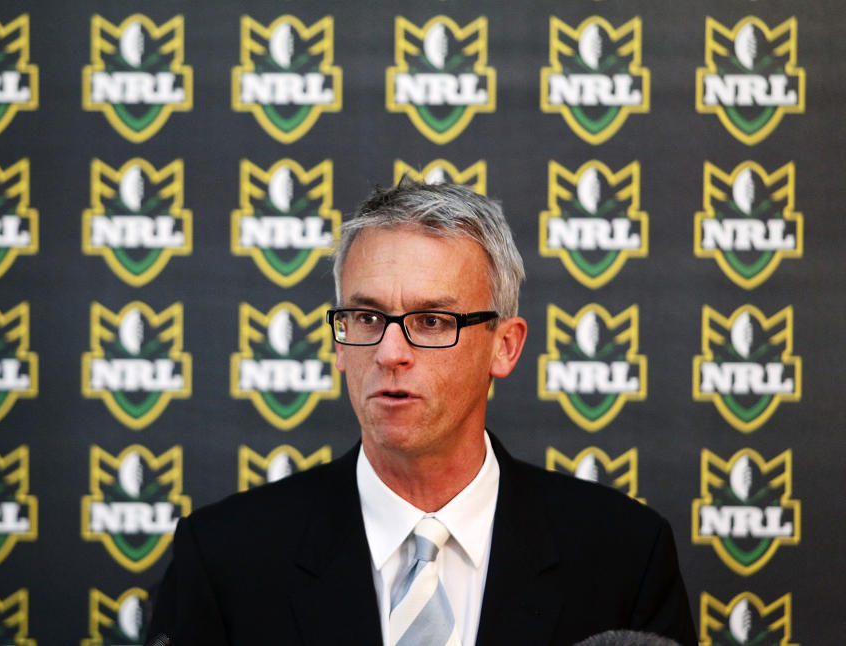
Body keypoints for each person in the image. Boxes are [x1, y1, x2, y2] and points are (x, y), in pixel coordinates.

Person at [146, 181, 697, 645]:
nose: (389, 353)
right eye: (365, 317)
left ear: (504, 346)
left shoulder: (624, 557)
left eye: (432, 321)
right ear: (339, 343)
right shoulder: (224, 558)